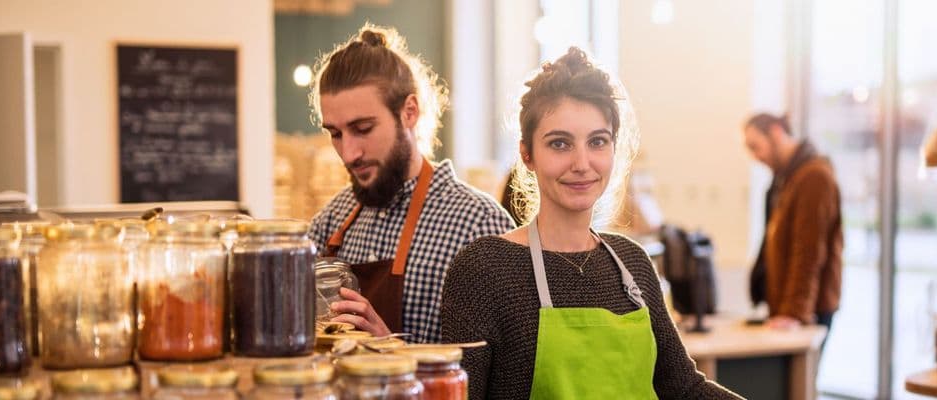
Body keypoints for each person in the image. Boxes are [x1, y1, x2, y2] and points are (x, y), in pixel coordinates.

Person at [441, 47, 740, 399]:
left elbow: (684, 389)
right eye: (560, 144)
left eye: (598, 141)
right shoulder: (484, 268)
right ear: (527, 154)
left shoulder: (633, 263)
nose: (582, 163)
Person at [307, 24, 515, 344]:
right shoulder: (331, 222)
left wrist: (390, 350)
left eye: (363, 128)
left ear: (409, 112)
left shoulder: (479, 225)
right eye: (335, 133)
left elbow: (498, 371)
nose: (349, 153)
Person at [744, 113, 843, 336]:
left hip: (807, 312)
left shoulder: (814, 177)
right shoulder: (788, 178)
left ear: (776, 133)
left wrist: (794, 313)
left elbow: (809, 252)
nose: (755, 157)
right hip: (790, 307)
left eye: (755, 146)